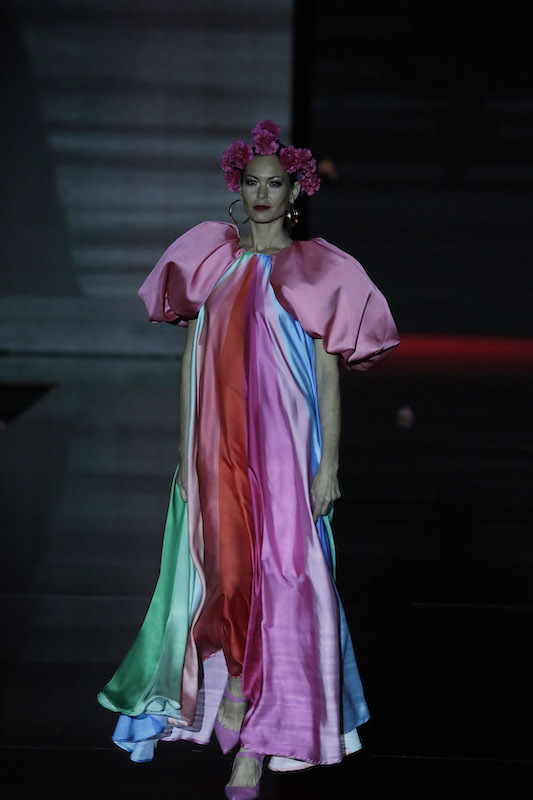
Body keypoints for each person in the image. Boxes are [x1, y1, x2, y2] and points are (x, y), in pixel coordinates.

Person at [97, 120, 400, 799]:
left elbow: (328, 378)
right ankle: (236, 685)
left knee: (286, 582)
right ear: (241, 190)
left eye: (276, 184)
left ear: (295, 193)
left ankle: (258, 745)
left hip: (289, 454)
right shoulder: (213, 261)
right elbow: (191, 361)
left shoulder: (319, 270)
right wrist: (184, 451)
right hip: (219, 448)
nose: (263, 195)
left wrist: (329, 466)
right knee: (229, 579)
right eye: (253, 184)